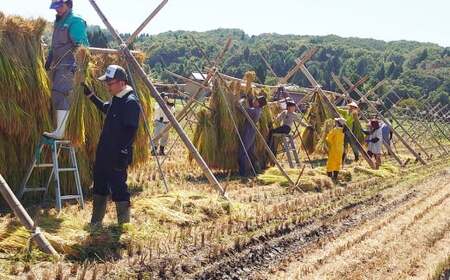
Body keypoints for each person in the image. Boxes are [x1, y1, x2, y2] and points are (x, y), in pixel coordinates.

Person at [82, 65, 141, 226]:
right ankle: (96, 223)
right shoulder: (117, 99)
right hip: (104, 154)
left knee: (118, 188)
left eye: (110, 84)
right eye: (106, 84)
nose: (107, 87)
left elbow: (131, 130)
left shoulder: (130, 102)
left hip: (116, 156)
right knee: (99, 186)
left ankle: (124, 225)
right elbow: (106, 108)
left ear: (121, 83)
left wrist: (122, 152)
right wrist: (91, 96)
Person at [43, 0, 89, 139]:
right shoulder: (59, 22)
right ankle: (60, 129)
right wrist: (49, 58)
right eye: (56, 8)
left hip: (69, 67)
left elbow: (82, 46)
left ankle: (60, 132)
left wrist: (77, 66)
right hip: (58, 66)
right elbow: (54, 45)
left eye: (60, 7)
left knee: (61, 94)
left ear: (68, 5)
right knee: (56, 94)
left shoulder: (75, 21)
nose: (57, 10)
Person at [237, 96, 267, 177]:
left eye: (256, 101)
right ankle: (256, 170)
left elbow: (241, 109)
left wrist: (241, 100)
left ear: (259, 103)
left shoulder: (254, 111)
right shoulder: (258, 110)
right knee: (250, 151)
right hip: (252, 131)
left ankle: (244, 172)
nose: (254, 101)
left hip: (249, 131)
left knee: (243, 151)